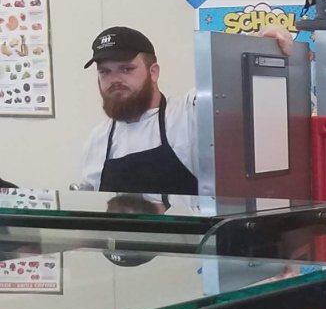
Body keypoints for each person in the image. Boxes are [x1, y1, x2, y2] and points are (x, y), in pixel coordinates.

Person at [79, 25, 294, 196]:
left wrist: (262, 42)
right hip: (121, 250)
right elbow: (89, 210)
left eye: (126, 69)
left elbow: (232, 81)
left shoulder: (187, 113)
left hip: (186, 250)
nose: (114, 80)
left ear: (153, 72)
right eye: (105, 72)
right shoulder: (99, 139)